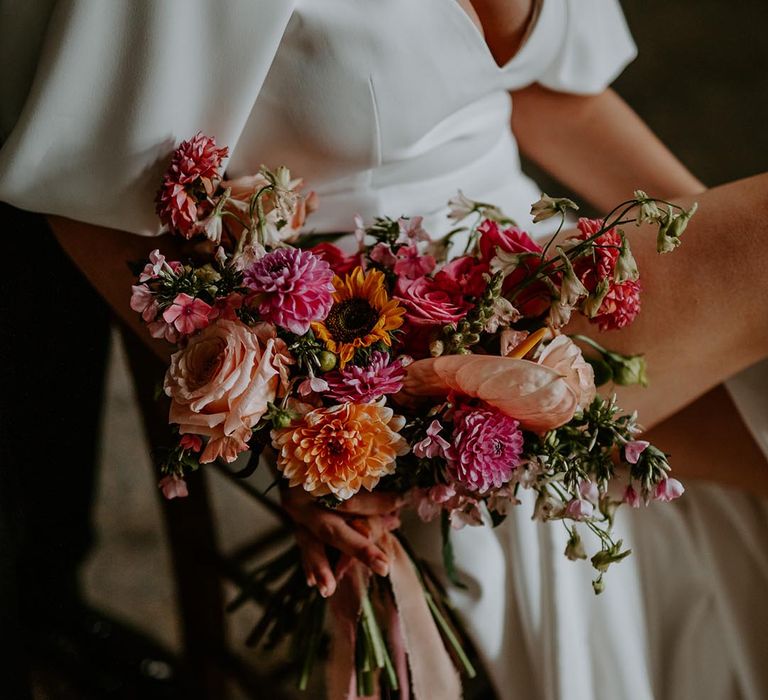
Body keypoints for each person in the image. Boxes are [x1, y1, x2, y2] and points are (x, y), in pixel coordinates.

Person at [1, 1, 766, 698]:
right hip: (391, 358)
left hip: (529, 271)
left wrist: (701, 240)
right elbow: (86, 199)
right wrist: (276, 412)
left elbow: (542, 90)